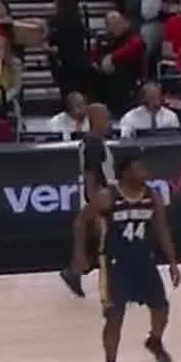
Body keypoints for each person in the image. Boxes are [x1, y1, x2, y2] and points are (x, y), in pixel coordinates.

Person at [72, 152, 180, 362]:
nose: (145, 172)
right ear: (125, 173)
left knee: (161, 307)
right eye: (139, 168)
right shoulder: (107, 196)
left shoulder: (152, 195)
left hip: (144, 261)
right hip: (116, 265)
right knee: (114, 317)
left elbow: (162, 229)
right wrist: (80, 253)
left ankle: (155, 340)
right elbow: (81, 221)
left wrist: (173, 262)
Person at [59, 101, 115, 298]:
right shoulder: (93, 143)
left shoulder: (95, 141)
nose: (109, 121)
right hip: (98, 199)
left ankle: (75, 272)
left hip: (100, 198)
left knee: (100, 246)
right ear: (95, 119)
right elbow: (91, 176)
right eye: (105, 117)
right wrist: (95, 204)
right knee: (109, 244)